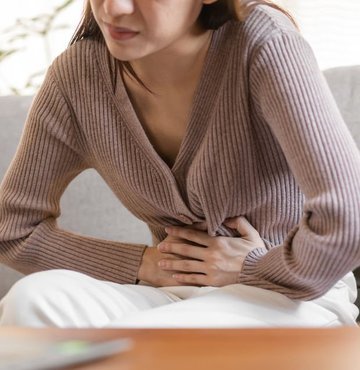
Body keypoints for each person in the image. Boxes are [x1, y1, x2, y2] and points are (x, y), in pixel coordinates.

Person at [0, 0, 359, 328]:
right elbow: (12, 229)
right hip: (175, 294)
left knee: (143, 337)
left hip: (293, 296)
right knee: (33, 300)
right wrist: (144, 264)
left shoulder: (263, 43)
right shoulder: (78, 77)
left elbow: (350, 217)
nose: (114, 8)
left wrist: (252, 267)